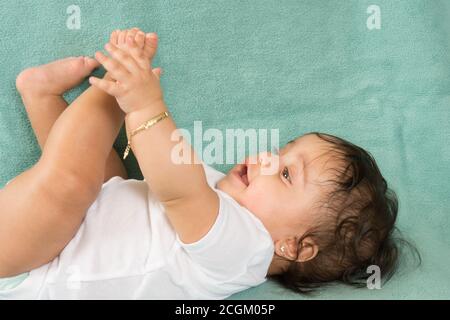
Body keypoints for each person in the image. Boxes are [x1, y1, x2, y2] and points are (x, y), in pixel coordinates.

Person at [0, 28, 403, 299]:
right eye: (281, 151)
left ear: (294, 247)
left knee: (71, 184)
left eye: (284, 173)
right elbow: (167, 178)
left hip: (37, 268)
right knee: (109, 179)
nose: (265, 157)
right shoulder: (227, 201)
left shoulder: (246, 251)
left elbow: (177, 186)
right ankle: (44, 96)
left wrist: (143, 103)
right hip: (74, 228)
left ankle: (114, 86)